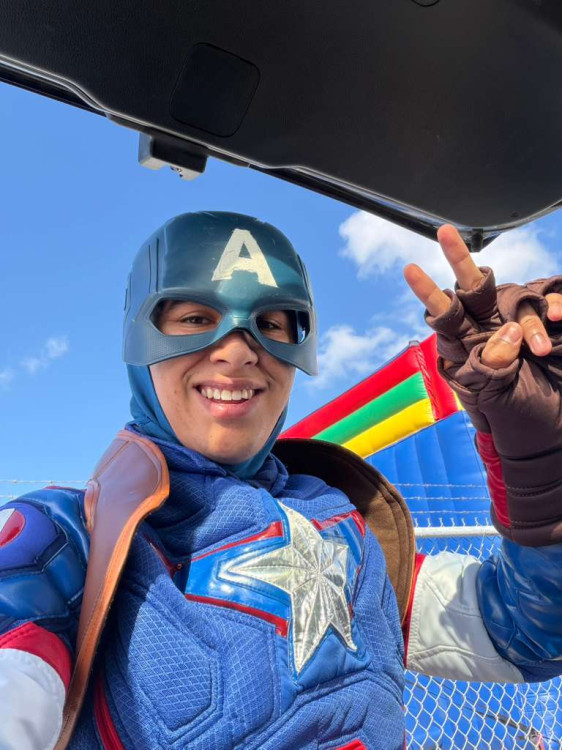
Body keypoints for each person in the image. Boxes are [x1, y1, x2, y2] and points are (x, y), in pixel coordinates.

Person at [0, 212, 561, 750]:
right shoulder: (69, 538)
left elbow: (527, 635)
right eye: (195, 319)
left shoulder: (349, 524)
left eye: (270, 324)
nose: (238, 350)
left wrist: (538, 458)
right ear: (140, 339)